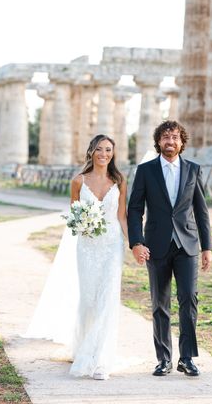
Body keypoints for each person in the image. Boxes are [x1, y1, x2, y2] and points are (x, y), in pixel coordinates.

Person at [24, 134, 128, 380]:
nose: (104, 154)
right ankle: (84, 349)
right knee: (89, 299)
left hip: (113, 244)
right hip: (88, 246)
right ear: (91, 151)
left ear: (113, 153)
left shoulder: (120, 181)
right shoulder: (78, 181)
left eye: (109, 150)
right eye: (100, 149)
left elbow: (122, 216)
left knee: (107, 299)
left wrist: (134, 243)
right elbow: (73, 215)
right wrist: (83, 225)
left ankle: (102, 359)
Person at [127, 120, 212, 377]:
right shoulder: (145, 171)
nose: (170, 141)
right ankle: (163, 359)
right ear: (158, 142)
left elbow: (201, 211)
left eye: (175, 137)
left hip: (187, 245)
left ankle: (186, 358)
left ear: (182, 142)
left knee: (189, 300)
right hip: (156, 246)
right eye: (165, 137)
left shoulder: (193, 170)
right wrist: (136, 242)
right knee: (159, 303)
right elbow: (134, 210)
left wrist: (207, 247)